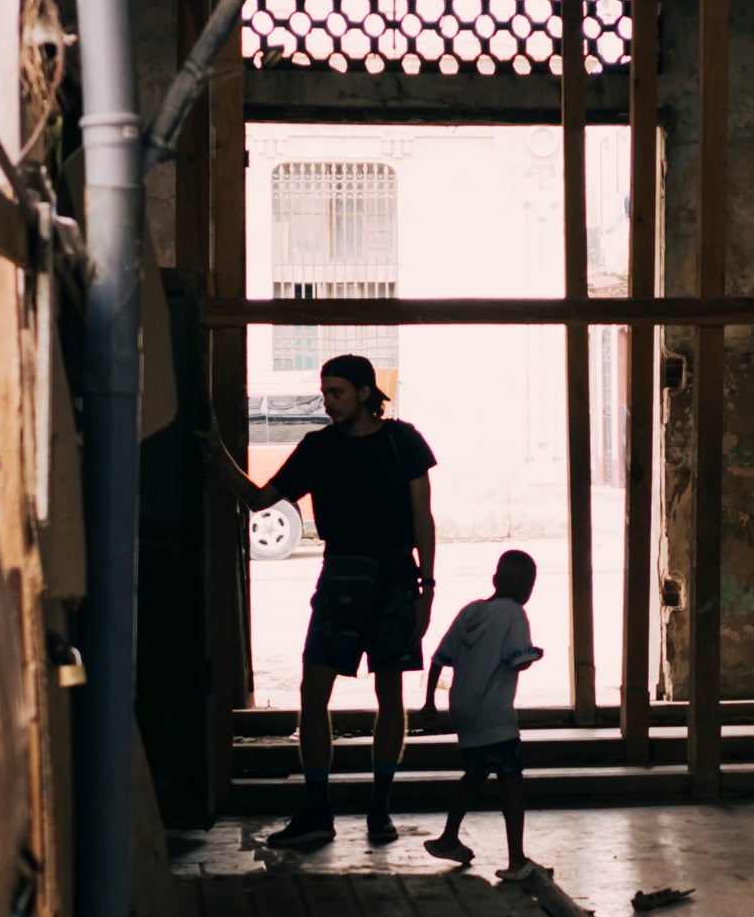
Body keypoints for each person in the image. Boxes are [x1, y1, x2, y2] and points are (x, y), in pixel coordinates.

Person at [209, 351, 435, 847]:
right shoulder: (319, 447)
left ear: (364, 393)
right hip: (342, 578)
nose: (326, 401)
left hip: (396, 578)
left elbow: (424, 520)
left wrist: (427, 589)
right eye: (324, 391)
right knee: (313, 696)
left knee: (391, 696)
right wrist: (217, 454)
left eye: (336, 392)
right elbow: (260, 500)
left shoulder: (404, 441)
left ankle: (380, 808)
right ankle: (318, 810)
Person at [423, 549, 546, 876]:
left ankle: (448, 838)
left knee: (475, 774)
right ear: (527, 588)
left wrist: (428, 703)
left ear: (495, 580)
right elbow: (519, 659)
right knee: (511, 780)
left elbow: (439, 658)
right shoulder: (515, 614)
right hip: (495, 715)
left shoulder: (470, 612)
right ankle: (516, 859)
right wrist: (536, 654)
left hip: (464, 711)